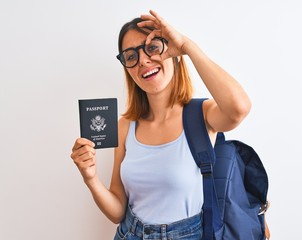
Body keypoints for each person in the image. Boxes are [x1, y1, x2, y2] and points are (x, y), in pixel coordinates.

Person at [71, 10, 252, 240]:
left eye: (152, 47)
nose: (143, 60)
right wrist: (90, 178)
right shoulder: (126, 125)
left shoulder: (202, 115)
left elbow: (239, 108)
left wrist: (186, 46)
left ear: (172, 53)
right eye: (131, 56)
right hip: (130, 234)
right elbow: (117, 211)